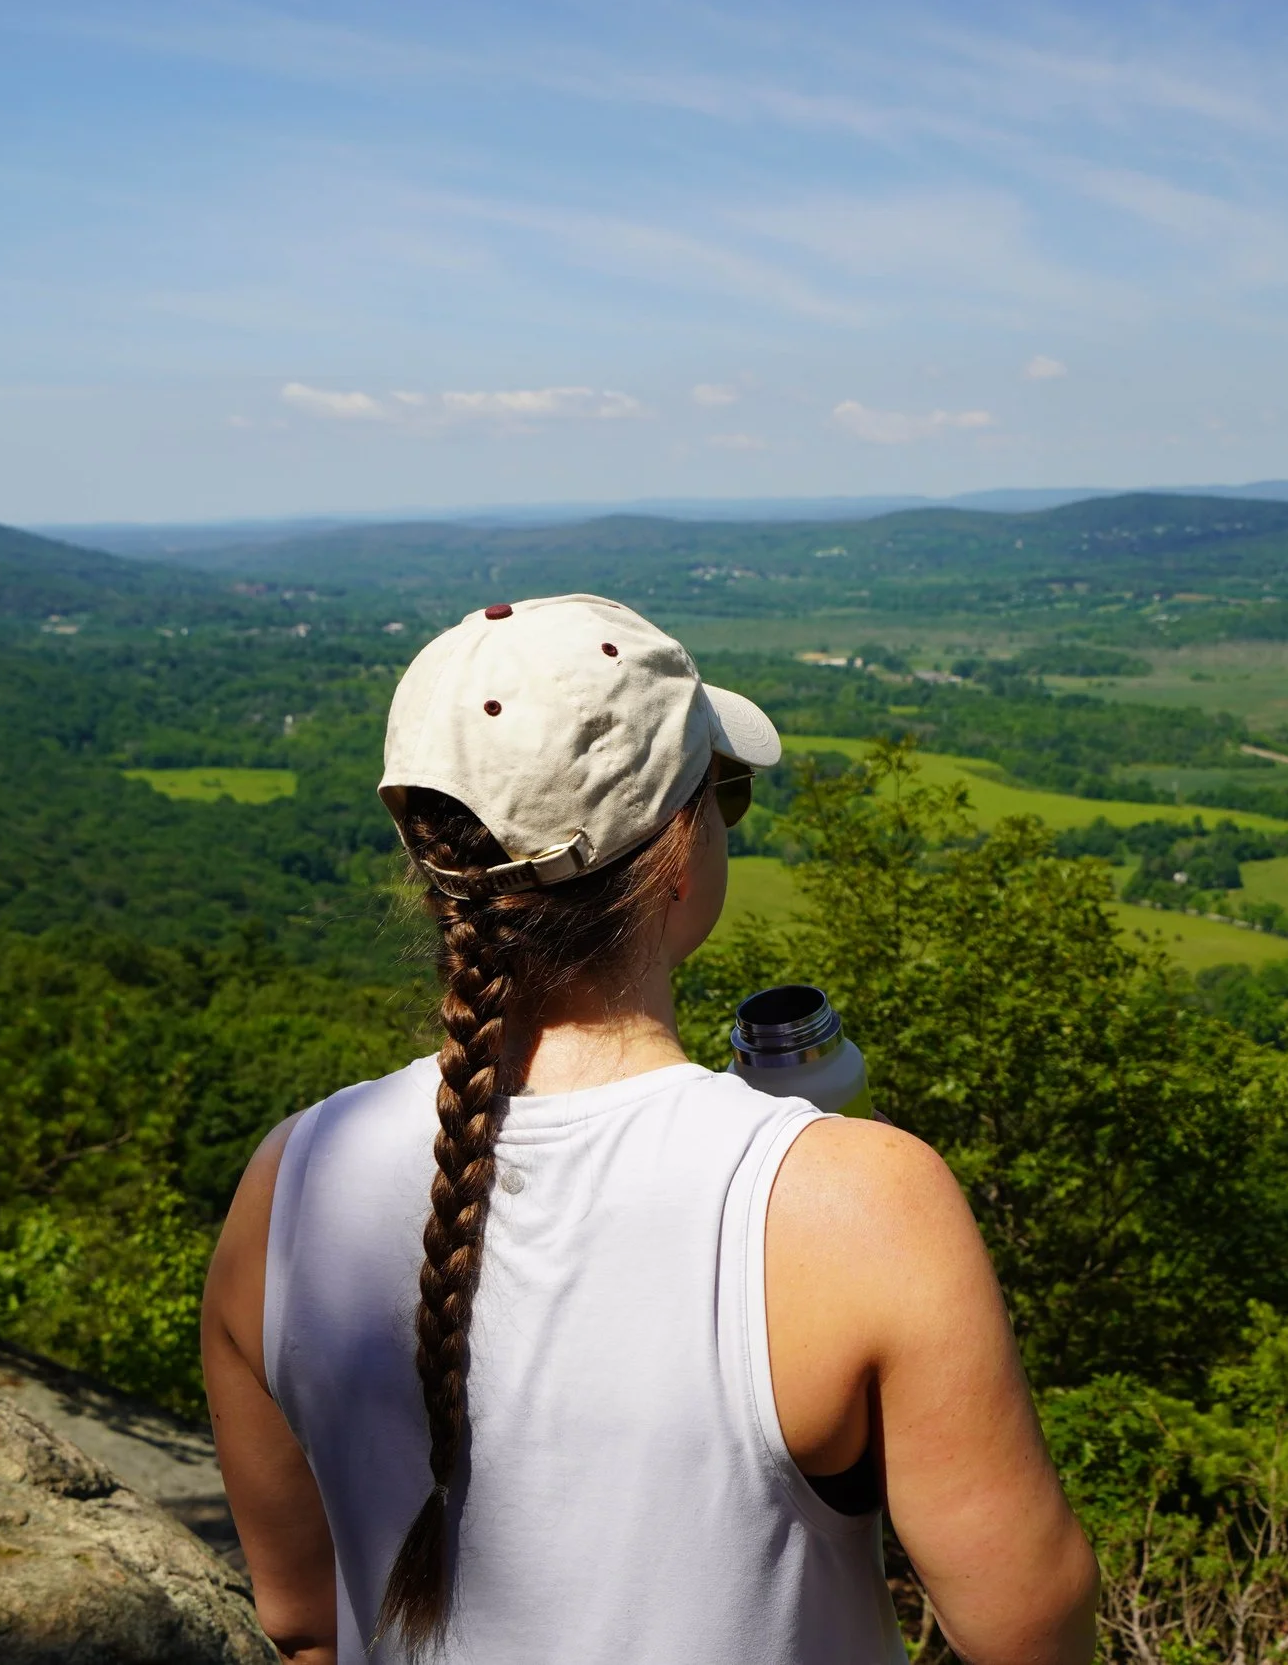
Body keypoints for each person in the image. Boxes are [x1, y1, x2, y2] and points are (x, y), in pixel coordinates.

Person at [200, 594, 1099, 1664]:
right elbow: (1028, 1629)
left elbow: (301, 1622)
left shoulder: (288, 1187)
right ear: (681, 850)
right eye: (723, 795)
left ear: (424, 863)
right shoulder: (864, 1202)